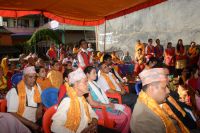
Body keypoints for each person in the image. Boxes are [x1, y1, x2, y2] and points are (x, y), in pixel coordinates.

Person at [130, 68, 190, 133]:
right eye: (164, 87)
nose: (168, 91)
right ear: (152, 88)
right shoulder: (143, 120)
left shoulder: (152, 102)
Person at [84, 66, 131, 133]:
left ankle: (125, 130)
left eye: (96, 73)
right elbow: (92, 103)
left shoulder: (94, 83)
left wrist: (108, 102)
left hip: (105, 103)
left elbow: (103, 94)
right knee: (123, 116)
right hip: (98, 109)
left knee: (128, 109)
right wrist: (106, 105)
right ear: (87, 74)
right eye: (94, 73)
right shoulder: (86, 86)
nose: (96, 74)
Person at [51, 68, 98, 133]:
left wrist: (94, 121)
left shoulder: (81, 97)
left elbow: (91, 111)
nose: (88, 84)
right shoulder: (67, 101)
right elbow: (55, 127)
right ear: (76, 84)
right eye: (85, 82)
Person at [6, 66, 43, 132]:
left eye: (35, 77)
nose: (34, 80)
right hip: (21, 123)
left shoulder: (37, 86)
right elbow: (12, 113)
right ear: (23, 78)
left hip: (36, 121)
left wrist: (39, 108)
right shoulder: (14, 91)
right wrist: (31, 124)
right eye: (30, 77)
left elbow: (40, 102)